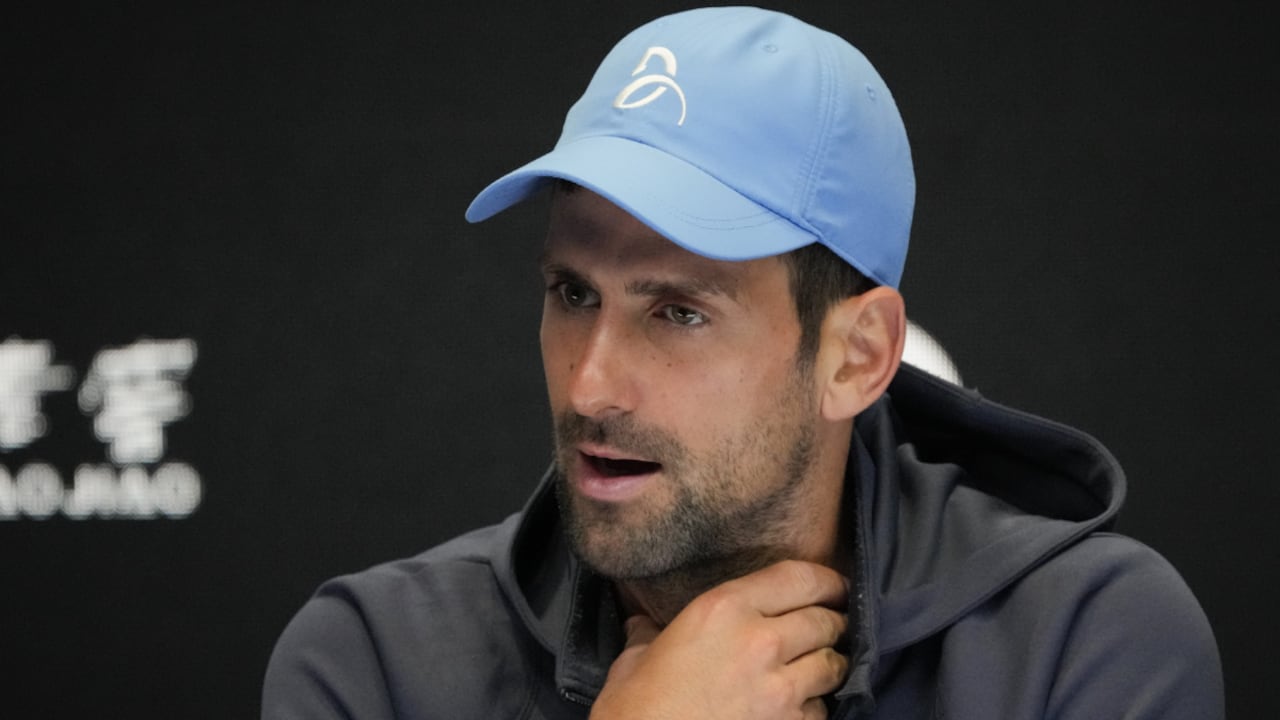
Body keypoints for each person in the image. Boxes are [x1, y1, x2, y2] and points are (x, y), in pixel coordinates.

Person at [262, 7, 1223, 718]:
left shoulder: (1081, 639)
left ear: (858, 357)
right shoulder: (371, 662)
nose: (591, 385)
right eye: (573, 293)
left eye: (678, 312)